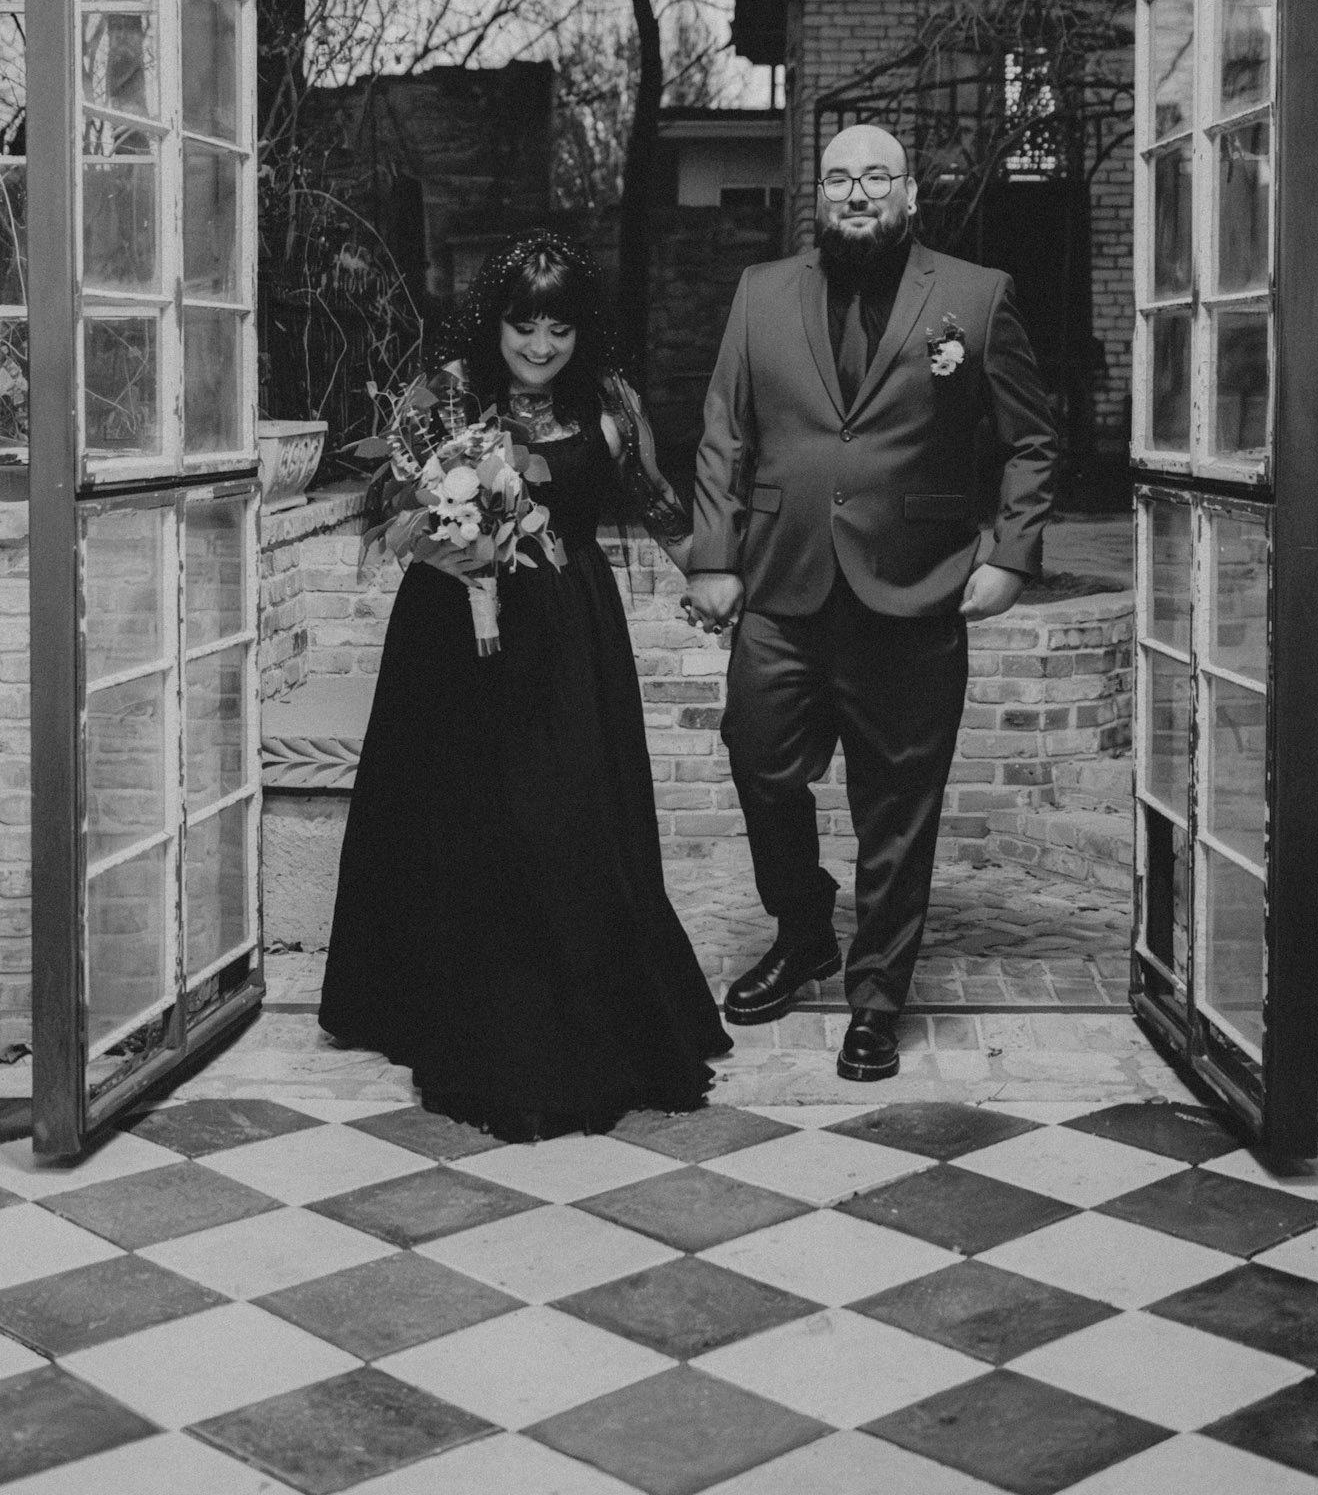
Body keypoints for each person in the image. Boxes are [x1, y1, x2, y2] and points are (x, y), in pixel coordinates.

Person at [319, 232, 731, 1139]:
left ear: (582, 331)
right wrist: (449, 540)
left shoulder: (610, 402)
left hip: (566, 631)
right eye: (523, 327)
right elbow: (391, 506)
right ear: (493, 323)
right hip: (448, 632)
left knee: (562, 813)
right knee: (461, 813)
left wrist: (712, 578)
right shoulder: (445, 394)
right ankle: (445, 1006)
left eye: (559, 329)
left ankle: (576, 1012)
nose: (540, 347)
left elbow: (658, 503)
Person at [685, 124, 1056, 1083]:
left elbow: (1030, 440)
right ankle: (803, 929)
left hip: (915, 588)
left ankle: (876, 997)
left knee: (898, 807)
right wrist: (712, 558)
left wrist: (1011, 556)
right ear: (817, 194)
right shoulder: (761, 293)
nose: (857, 192)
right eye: (839, 177)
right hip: (782, 584)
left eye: (876, 177)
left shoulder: (975, 295)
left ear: (909, 194)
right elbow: (725, 433)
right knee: (759, 762)